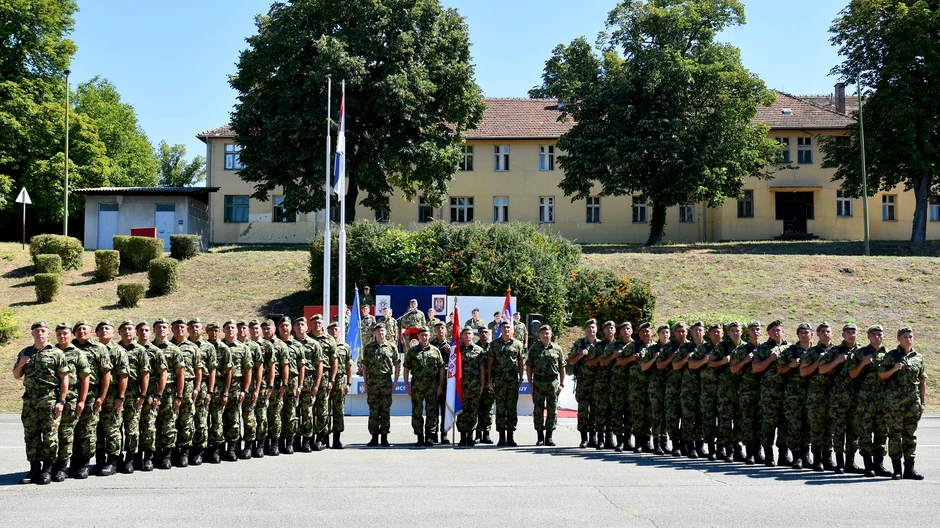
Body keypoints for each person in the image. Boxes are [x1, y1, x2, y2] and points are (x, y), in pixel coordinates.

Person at [12, 321, 68, 485]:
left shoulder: (57, 353)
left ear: (48, 333)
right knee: (31, 437)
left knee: (50, 437)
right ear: (32, 334)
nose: (39, 333)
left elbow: (65, 378)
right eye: (36, 331)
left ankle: (47, 469)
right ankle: (34, 468)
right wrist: (21, 363)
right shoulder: (25, 352)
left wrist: (61, 401)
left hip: (49, 400)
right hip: (30, 402)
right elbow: (16, 375)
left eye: (42, 331)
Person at [879, 326, 926, 480]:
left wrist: (923, 401)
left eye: (910, 336)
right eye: (905, 336)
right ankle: (897, 469)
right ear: (898, 338)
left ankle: (910, 469)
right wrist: (893, 369)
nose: (908, 339)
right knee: (895, 435)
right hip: (895, 402)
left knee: (910, 435)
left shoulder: (918, 357)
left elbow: (922, 381)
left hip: (913, 401)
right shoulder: (891, 356)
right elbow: (881, 375)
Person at [69, 321, 111, 479]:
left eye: (84, 329)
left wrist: (101, 396)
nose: (81, 331)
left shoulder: (99, 349)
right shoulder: (68, 349)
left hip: (91, 396)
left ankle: (85, 464)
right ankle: (73, 462)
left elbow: (106, 374)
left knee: (88, 431)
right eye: (78, 329)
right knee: (72, 431)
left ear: (91, 331)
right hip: (71, 396)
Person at [849, 324, 891, 478]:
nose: (877, 337)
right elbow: (852, 374)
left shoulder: (889, 354)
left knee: (881, 432)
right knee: (865, 432)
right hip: (865, 399)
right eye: (873, 334)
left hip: (883, 399)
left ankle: (879, 465)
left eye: (880, 334)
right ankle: (868, 466)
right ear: (868, 337)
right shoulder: (860, 353)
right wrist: (863, 363)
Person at [52, 323, 89, 482]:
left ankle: (62, 467)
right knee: (53, 434)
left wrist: (82, 400)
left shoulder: (78, 353)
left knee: (67, 434)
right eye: (59, 333)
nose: (62, 336)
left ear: (70, 335)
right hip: (53, 399)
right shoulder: (51, 351)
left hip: (72, 399)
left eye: (65, 333)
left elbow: (85, 378)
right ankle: (52, 464)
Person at [824, 323, 861, 474]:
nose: (851, 335)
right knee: (838, 431)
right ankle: (839, 463)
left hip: (856, 397)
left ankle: (850, 462)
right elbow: (822, 369)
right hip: (839, 397)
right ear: (843, 335)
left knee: (854, 431)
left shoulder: (862, 351)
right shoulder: (835, 351)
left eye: (854, 332)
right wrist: (837, 361)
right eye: (848, 332)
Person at [94, 320, 128, 476]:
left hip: (112, 396)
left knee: (113, 430)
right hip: (95, 397)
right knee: (98, 430)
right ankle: (100, 461)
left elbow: (123, 375)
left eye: (107, 328)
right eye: (100, 329)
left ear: (114, 333)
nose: (104, 331)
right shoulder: (93, 349)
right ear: (96, 333)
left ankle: (113, 462)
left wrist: (120, 396)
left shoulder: (118, 351)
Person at [754, 320, 789, 467]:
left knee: (785, 424)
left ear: (783, 331)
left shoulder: (790, 347)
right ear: (768, 333)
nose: (776, 332)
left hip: (787, 392)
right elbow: (756, 368)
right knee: (768, 424)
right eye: (773, 330)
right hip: (769, 393)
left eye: (779, 330)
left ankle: (783, 456)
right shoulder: (763, 348)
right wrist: (770, 359)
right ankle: (768, 456)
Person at [801, 322, 836, 472]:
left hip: (834, 395)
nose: (825, 334)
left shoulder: (837, 351)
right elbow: (803, 372)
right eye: (822, 332)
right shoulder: (812, 352)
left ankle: (828, 458)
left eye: (828, 331)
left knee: (830, 429)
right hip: (816, 396)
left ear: (832, 333)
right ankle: (817, 460)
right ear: (817, 335)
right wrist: (818, 361)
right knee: (816, 428)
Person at [778, 323, 813, 469]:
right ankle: (796, 457)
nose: (804, 335)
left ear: (812, 334)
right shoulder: (790, 351)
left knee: (808, 425)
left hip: (812, 394)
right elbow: (780, 369)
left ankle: (806, 455)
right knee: (794, 425)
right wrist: (790, 366)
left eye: (806, 332)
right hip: (794, 394)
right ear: (797, 335)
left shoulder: (816, 351)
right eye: (801, 333)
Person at [116, 321, 149, 474]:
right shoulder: (114, 349)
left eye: (130, 329)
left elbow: (145, 374)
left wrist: (142, 394)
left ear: (135, 332)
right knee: (114, 429)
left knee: (132, 429)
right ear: (119, 332)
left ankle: (131, 458)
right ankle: (116, 458)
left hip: (133, 395)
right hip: (115, 395)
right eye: (124, 329)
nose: (127, 332)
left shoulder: (141, 351)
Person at [403, 326, 445, 446]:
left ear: (429, 336)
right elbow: (406, 368)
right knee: (417, 412)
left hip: (432, 386)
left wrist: (440, 385)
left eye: (426, 335)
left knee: (431, 412)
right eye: (422, 335)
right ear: (418, 337)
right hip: (417, 386)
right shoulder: (412, 352)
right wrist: (406, 385)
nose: (424, 337)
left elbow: (441, 368)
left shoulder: (435, 350)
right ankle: (419, 436)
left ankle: (429, 436)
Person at [151, 319, 184, 470]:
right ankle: (155, 454)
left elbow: (180, 374)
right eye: (158, 327)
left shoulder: (174, 350)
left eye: (164, 327)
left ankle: (167, 455)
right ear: (154, 330)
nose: (161, 330)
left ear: (168, 330)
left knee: (169, 424)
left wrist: (179, 395)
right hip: (152, 391)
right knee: (152, 424)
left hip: (169, 392)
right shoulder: (149, 348)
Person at [525, 324, 565, 446]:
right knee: (538, 409)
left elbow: (562, 366)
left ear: (551, 334)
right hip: (538, 381)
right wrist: (530, 385)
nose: (545, 335)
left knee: (552, 410)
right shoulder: (534, 348)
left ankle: (549, 436)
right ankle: (540, 437)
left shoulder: (557, 349)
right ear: (539, 335)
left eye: (547, 333)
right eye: (542, 333)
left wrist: (562, 384)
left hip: (552, 382)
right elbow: (529, 367)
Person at [360, 325, 400, 446]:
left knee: (385, 410)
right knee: (373, 410)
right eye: (378, 330)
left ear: (386, 332)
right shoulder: (368, 348)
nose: (380, 332)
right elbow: (365, 366)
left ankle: (384, 437)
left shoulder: (392, 347)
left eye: (382, 330)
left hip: (386, 382)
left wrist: (396, 382)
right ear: (374, 333)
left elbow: (397, 364)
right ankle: (374, 437)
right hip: (372, 382)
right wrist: (366, 383)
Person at [169, 319, 201, 468]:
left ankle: (184, 452)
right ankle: (171, 451)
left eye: (182, 327)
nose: (179, 330)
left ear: (186, 329)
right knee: (169, 419)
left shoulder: (193, 347)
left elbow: (198, 369)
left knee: (186, 420)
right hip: (169, 386)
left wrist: (197, 388)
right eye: (176, 327)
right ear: (172, 329)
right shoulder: (165, 346)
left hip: (188, 385)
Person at [488, 320, 525, 447]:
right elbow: (490, 363)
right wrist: (489, 379)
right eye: (503, 327)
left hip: (513, 381)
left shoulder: (518, 344)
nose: (506, 329)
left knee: (512, 409)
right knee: (501, 409)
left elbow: (520, 362)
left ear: (511, 329)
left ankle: (511, 437)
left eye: (508, 327)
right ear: (500, 330)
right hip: (499, 381)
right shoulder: (494, 345)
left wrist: (521, 378)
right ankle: (501, 437)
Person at [730, 321, 762, 464]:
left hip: (764, 391)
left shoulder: (765, 348)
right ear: (747, 332)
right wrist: (745, 360)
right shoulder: (742, 350)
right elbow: (733, 369)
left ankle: (758, 451)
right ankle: (749, 453)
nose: (755, 332)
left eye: (758, 329)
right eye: (752, 330)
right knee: (748, 422)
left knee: (761, 423)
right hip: (747, 391)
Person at [221, 320, 252, 461]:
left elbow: (248, 370)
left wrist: (245, 390)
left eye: (233, 328)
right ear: (224, 330)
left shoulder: (243, 348)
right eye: (228, 328)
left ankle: (233, 448)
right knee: (218, 419)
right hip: (218, 387)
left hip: (236, 387)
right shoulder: (218, 346)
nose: (230, 330)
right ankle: (220, 448)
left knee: (234, 419)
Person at [136, 321, 166, 472]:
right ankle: (134, 457)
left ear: (151, 332)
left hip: (150, 394)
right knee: (132, 427)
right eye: (141, 330)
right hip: (133, 394)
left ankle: (148, 457)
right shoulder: (129, 349)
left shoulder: (156, 352)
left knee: (148, 426)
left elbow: (163, 374)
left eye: (146, 330)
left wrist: (159, 394)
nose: (144, 333)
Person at [188, 318, 217, 466]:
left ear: (202, 329)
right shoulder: (181, 345)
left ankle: (199, 450)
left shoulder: (208, 347)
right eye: (192, 327)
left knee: (201, 420)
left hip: (203, 387)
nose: (194, 329)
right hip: (184, 387)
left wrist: (210, 391)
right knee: (184, 420)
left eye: (197, 327)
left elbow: (212, 371)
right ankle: (183, 450)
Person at [295, 316, 324, 452]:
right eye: (297, 325)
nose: (300, 327)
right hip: (292, 382)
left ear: (307, 328)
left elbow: (319, 365)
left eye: (303, 325)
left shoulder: (314, 344)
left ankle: (307, 440)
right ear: (294, 328)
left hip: (309, 381)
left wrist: (317, 384)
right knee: (292, 412)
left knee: (307, 412)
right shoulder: (290, 344)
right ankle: (294, 440)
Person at [679, 321, 708, 458]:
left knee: (701, 417)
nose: (698, 332)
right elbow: (675, 365)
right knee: (688, 418)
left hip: (704, 388)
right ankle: (689, 446)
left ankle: (700, 445)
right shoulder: (685, 348)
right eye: (695, 330)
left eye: (700, 330)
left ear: (704, 332)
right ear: (691, 332)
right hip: (688, 388)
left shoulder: (709, 347)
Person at [569, 319, 599, 448]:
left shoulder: (601, 345)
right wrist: (580, 355)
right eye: (588, 327)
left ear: (596, 329)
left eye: (593, 327)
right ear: (585, 330)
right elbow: (571, 361)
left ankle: (593, 437)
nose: (591, 329)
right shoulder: (579, 343)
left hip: (597, 382)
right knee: (583, 411)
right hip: (583, 382)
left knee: (595, 411)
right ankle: (584, 438)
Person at [277, 316, 305, 455]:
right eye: (282, 326)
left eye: (287, 325)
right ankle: (277, 442)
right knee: (276, 412)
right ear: (278, 328)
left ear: (290, 328)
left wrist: (300, 385)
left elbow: (302, 367)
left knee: (291, 413)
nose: (285, 328)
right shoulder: (273, 344)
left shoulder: (297, 345)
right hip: (276, 382)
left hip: (293, 382)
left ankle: (289, 442)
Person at [310, 315, 337, 449]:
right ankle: (308, 437)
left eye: (319, 322)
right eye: (314, 322)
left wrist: (332, 379)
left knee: (322, 409)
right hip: (308, 377)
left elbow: (334, 361)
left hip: (325, 377)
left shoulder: (329, 340)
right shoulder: (306, 338)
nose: (317, 325)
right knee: (308, 409)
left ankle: (321, 437)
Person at [456, 327, 486, 446]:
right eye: (465, 333)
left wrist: (482, 385)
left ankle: (470, 436)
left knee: (473, 411)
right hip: (461, 386)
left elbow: (482, 369)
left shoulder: (479, 350)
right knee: (462, 411)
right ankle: (462, 437)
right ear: (462, 335)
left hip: (474, 385)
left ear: (473, 336)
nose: (467, 336)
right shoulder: (458, 350)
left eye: (469, 334)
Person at [326, 322, 354, 449]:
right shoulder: (324, 345)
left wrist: (349, 383)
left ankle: (337, 439)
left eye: (336, 329)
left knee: (338, 411)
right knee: (324, 410)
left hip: (340, 381)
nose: (334, 332)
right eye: (331, 330)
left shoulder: (345, 347)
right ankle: (324, 439)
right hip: (326, 380)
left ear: (340, 331)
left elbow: (349, 366)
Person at [239, 321, 265, 459]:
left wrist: (257, 388)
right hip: (235, 388)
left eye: (244, 328)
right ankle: (235, 446)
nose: (241, 330)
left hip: (251, 388)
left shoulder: (254, 347)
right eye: (240, 328)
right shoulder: (230, 346)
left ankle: (251, 446)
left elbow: (259, 368)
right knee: (232, 419)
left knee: (252, 418)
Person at [204, 322, 229, 463]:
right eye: (211, 331)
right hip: (203, 386)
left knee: (217, 419)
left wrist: (225, 392)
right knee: (202, 418)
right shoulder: (202, 347)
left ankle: (217, 449)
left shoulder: (224, 348)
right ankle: (205, 447)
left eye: (216, 331)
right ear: (206, 332)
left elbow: (228, 372)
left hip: (219, 387)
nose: (214, 333)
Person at [589, 321, 616, 449]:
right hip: (601, 382)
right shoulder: (598, 346)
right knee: (600, 411)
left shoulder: (619, 345)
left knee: (612, 411)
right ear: (603, 331)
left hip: (616, 383)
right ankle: (600, 438)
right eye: (607, 328)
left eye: (612, 328)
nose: (610, 330)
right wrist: (603, 358)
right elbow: (590, 362)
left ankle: (609, 438)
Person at [609, 322, 635, 452]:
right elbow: (603, 361)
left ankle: (628, 441)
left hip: (633, 385)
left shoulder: (636, 345)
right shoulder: (614, 345)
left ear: (632, 331)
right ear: (620, 332)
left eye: (628, 328)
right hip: (618, 384)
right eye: (623, 329)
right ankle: (619, 441)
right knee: (618, 413)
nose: (626, 330)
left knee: (630, 413)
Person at [263, 320, 288, 456]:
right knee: (262, 415)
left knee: (275, 414)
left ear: (274, 329)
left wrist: (284, 384)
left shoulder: (281, 345)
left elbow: (285, 366)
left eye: (269, 328)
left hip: (277, 383)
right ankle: (264, 443)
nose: (267, 331)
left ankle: (275, 444)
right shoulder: (259, 344)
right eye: (264, 329)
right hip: (261, 383)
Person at [699, 323, 723, 461]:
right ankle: (711, 450)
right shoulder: (704, 348)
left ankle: (721, 449)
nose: (715, 334)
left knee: (723, 421)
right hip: (708, 390)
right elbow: (692, 363)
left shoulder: (727, 347)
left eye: (718, 331)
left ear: (722, 334)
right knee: (708, 420)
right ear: (709, 334)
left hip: (726, 391)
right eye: (713, 332)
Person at [631, 323, 656, 453]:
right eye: (642, 332)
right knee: (638, 414)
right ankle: (638, 442)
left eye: (647, 331)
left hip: (652, 385)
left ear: (652, 333)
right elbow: (619, 361)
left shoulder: (656, 347)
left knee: (650, 414)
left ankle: (647, 441)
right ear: (639, 334)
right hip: (637, 386)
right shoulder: (633, 346)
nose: (645, 334)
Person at [648, 325, 672, 455]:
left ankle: (664, 441)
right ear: (658, 334)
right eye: (663, 332)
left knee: (666, 414)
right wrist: (655, 358)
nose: (665, 334)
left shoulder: (673, 348)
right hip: (656, 385)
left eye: (667, 332)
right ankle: (656, 442)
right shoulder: (653, 349)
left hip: (669, 386)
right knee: (657, 414)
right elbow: (644, 366)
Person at [665, 322, 688, 456]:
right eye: (678, 331)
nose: (681, 334)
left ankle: (686, 444)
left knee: (687, 417)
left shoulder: (691, 346)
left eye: (683, 331)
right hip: (672, 387)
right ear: (674, 333)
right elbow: (660, 365)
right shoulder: (668, 347)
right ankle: (675, 444)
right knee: (673, 417)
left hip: (688, 387)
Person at [429, 320, 452, 444]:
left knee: (445, 408)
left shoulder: (452, 345)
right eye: (438, 328)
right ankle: (433, 434)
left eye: (442, 328)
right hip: (433, 380)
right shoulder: (430, 344)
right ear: (434, 331)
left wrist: (451, 353)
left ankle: (444, 433)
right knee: (432, 408)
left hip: (448, 382)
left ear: (446, 330)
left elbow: (458, 361)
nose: (440, 330)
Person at [475, 327, 496, 444]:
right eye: (482, 332)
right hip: (476, 382)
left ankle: (486, 434)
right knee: (478, 409)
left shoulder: (493, 347)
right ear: (478, 334)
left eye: (486, 332)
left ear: (489, 334)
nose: (484, 334)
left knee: (488, 409)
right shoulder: (474, 347)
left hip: (490, 382)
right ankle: (478, 434)